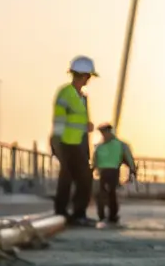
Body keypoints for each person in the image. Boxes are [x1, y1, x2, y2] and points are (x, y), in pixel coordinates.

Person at [52, 56, 96, 227]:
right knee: (81, 178)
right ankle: (74, 213)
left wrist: (87, 126)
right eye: (88, 76)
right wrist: (57, 144)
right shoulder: (66, 93)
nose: (88, 79)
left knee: (71, 177)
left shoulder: (82, 97)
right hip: (67, 143)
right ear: (83, 75)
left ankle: (66, 212)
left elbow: (77, 121)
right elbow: (59, 120)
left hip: (80, 143)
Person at [93, 123, 137, 225]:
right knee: (100, 194)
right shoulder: (99, 146)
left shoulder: (120, 144)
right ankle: (102, 215)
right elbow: (95, 160)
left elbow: (128, 157)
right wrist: (92, 169)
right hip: (102, 173)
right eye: (102, 133)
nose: (103, 135)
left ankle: (112, 215)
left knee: (111, 192)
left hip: (113, 171)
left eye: (105, 132)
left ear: (110, 132)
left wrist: (132, 169)